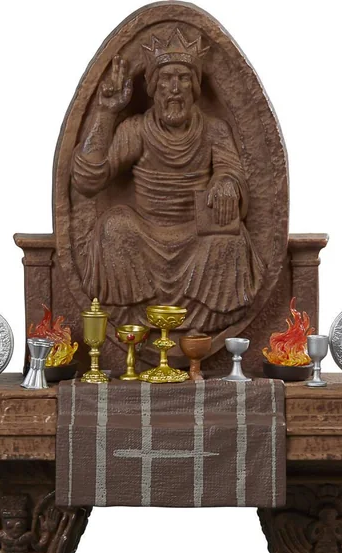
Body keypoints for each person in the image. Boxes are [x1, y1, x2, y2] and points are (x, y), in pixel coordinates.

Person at [71, 29, 264, 331]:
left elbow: (231, 171)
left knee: (232, 239)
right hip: (145, 233)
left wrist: (227, 183)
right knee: (113, 226)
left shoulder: (214, 130)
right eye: (166, 79)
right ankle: (136, 323)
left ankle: (203, 325)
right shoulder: (137, 130)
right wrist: (106, 113)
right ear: (153, 86)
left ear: (195, 86)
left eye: (183, 78)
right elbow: (88, 180)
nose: (175, 88)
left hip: (196, 235)